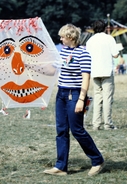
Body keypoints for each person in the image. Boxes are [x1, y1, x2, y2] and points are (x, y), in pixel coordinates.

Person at [43, 24, 104, 177]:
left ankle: (97, 160)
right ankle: (61, 167)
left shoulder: (83, 53)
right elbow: (52, 70)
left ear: (70, 37)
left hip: (74, 95)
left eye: (62, 37)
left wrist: (81, 100)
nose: (60, 39)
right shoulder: (63, 51)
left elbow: (86, 78)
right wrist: (30, 66)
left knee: (77, 130)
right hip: (61, 94)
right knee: (61, 130)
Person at [86, 20, 119, 131]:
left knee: (97, 97)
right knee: (107, 98)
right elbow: (115, 54)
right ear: (105, 28)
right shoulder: (109, 38)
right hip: (107, 71)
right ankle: (108, 124)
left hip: (95, 71)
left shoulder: (90, 40)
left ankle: (96, 124)